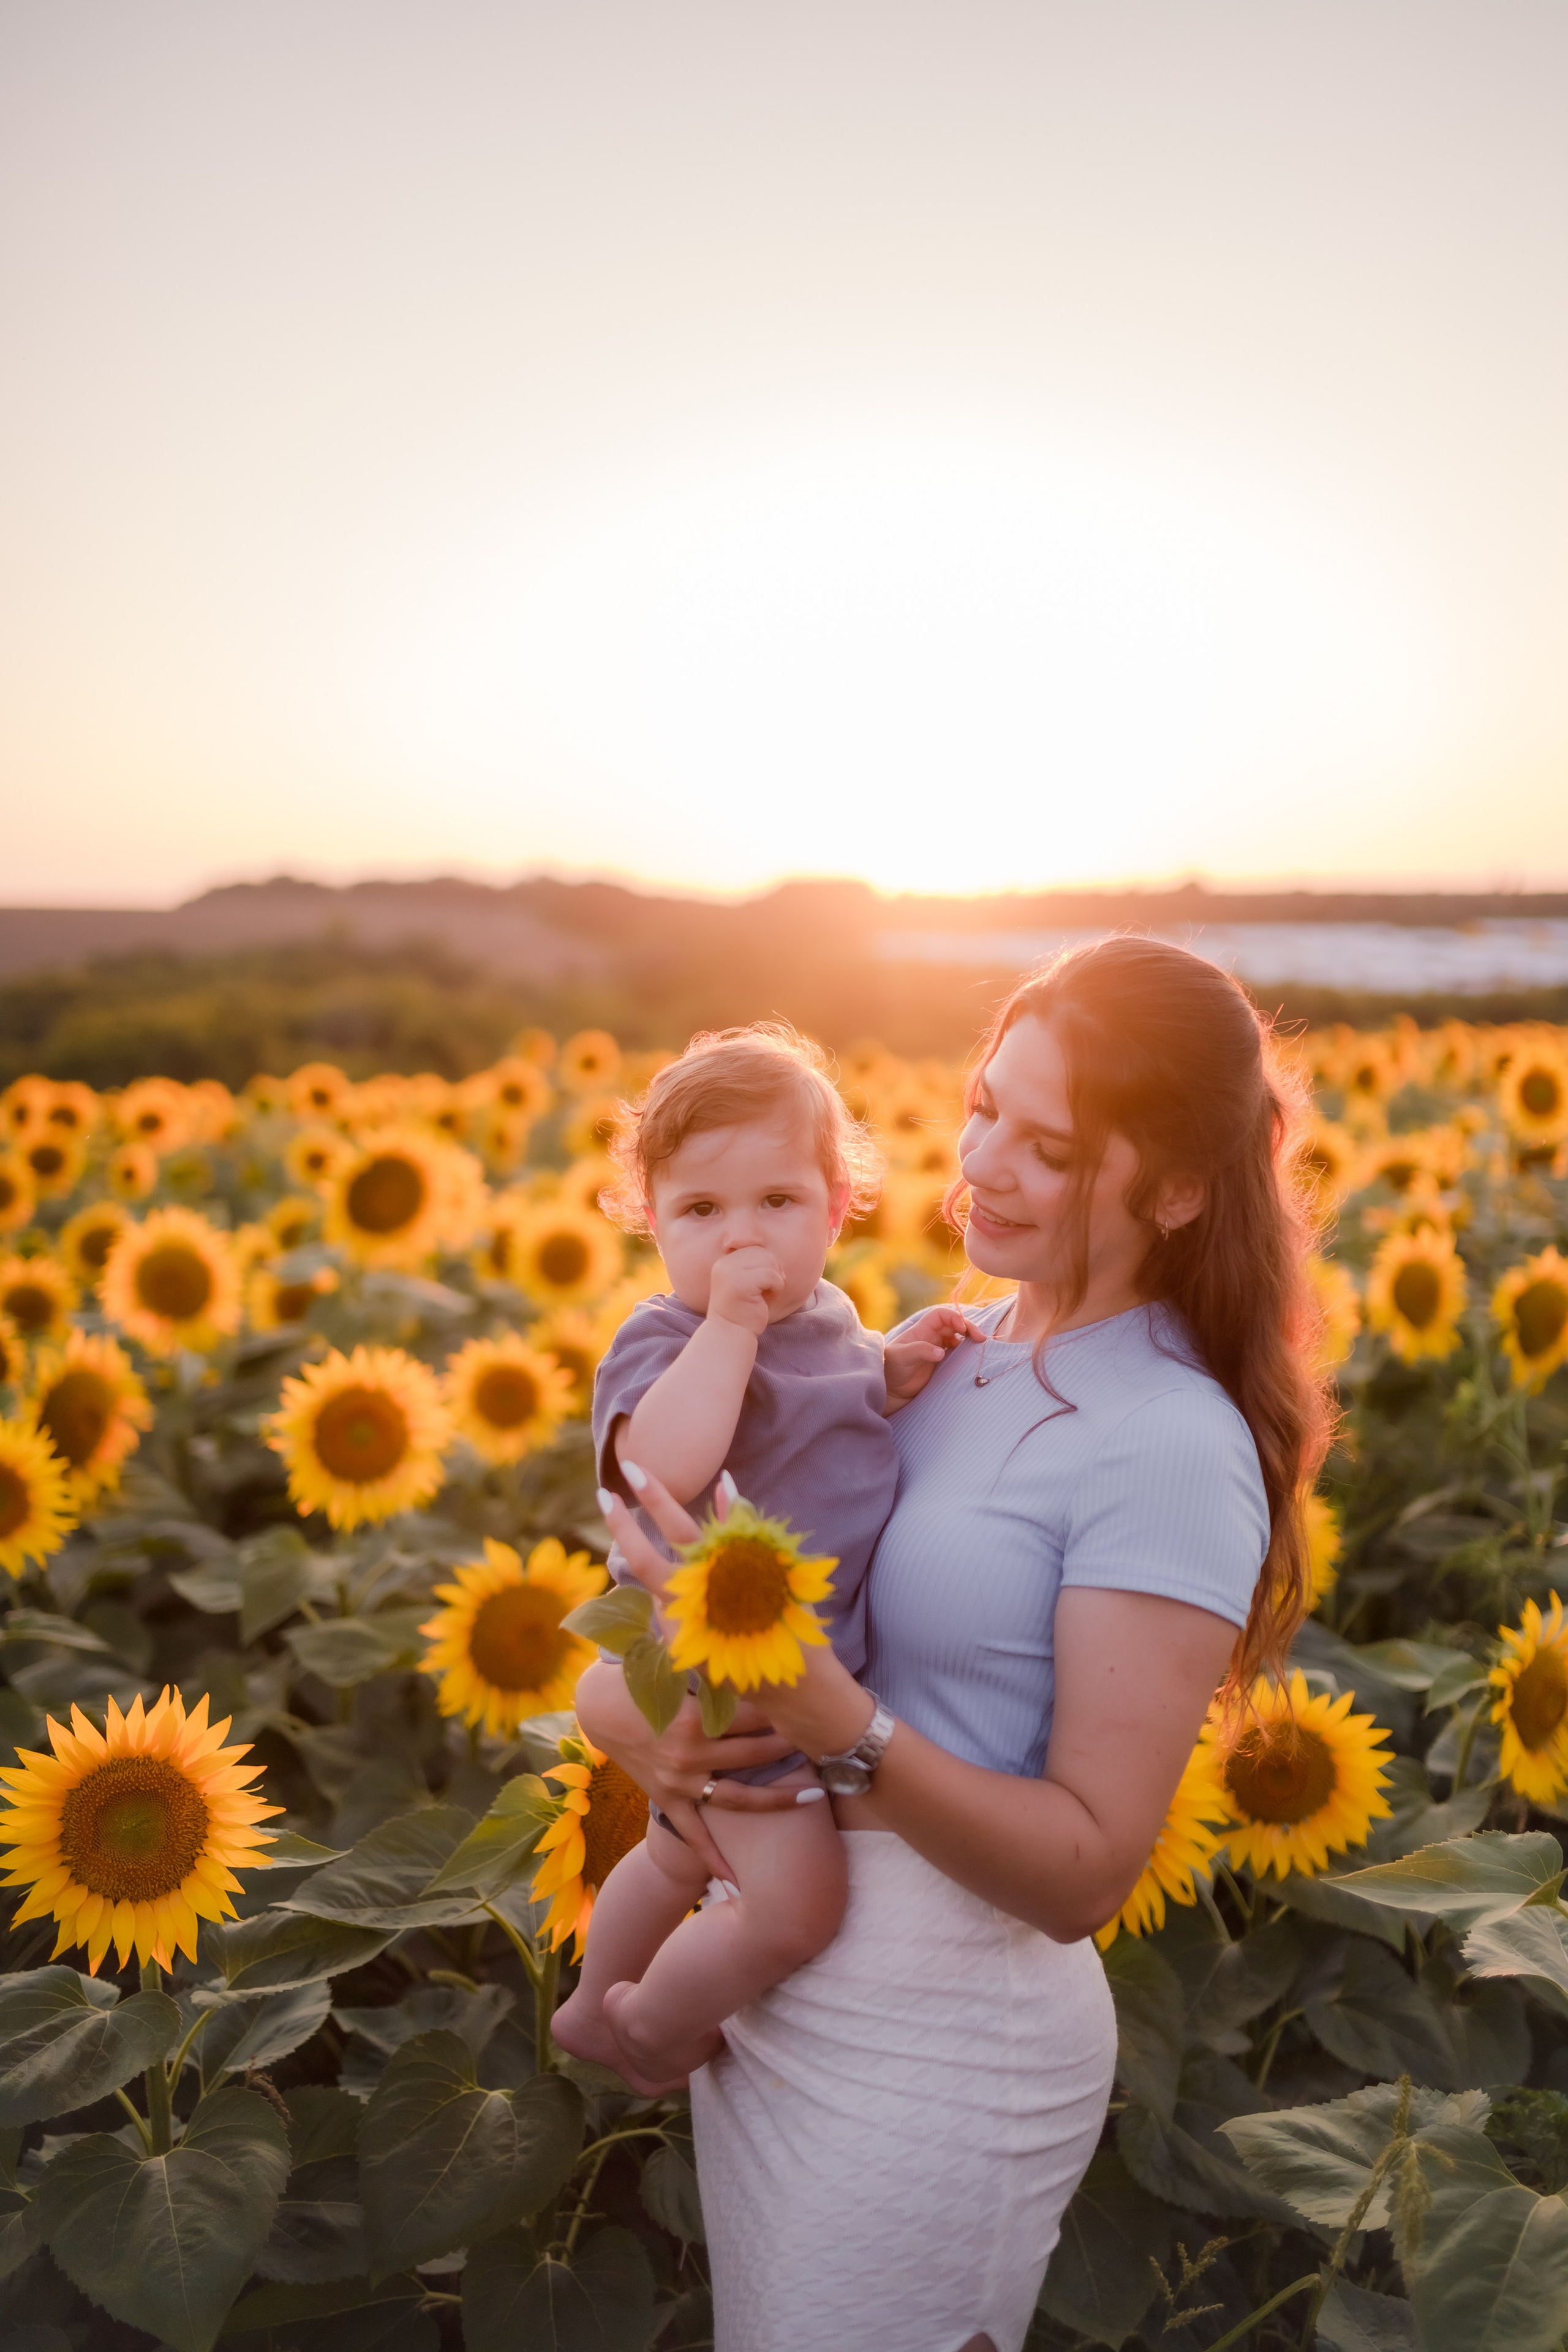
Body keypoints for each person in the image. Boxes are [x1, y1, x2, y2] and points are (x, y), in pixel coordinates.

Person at [575, 937, 1332, 2352]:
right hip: (785, 1979)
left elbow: (1084, 1870)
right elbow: (679, 1606)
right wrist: (630, 1715)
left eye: (1044, 1146)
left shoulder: (1167, 1441)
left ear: (1175, 1189)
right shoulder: (937, 1350)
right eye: (985, 1104)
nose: (979, 1160)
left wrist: (833, 1721)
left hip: (941, 2038)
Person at [551, 1024, 977, 2092]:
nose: (742, 1241)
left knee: (675, 1852)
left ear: (838, 1206)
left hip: (797, 1675)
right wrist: (729, 1329)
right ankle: (646, 2025)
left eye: (777, 1204)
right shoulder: (664, 1341)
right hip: (729, 1689)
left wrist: (891, 1369)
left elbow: (822, 1413)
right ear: (651, 1223)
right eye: (701, 1212)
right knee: (794, 1910)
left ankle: (588, 2004)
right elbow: (662, 1462)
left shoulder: (829, 1318)